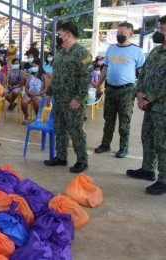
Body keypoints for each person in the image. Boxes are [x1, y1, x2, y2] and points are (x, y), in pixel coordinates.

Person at [44, 22, 93, 173]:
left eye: (59, 35)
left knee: (75, 131)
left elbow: (86, 79)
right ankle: (61, 157)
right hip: (58, 99)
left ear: (69, 35)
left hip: (72, 100)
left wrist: (78, 99)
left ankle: (82, 161)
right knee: (60, 129)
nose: (57, 38)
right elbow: (56, 76)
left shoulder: (82, 53)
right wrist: (49, 92)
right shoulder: (60, 52)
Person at [126, 15, 166, 195]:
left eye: (163, 29)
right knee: (147, 138)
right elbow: (142, 74)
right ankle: (148, 169)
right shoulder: (155, 52)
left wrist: (147, 97)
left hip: (162, 109)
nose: (159, 32)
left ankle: (164, 179)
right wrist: (139, 93)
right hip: (149, 106)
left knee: (162, 144)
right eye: (159, 28)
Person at [94, 22, 145, 158]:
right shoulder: (111, 49)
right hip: (110, 89)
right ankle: (105, 144)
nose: (119, 35)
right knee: (108, 119)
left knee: (124, 121)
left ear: (130, 34)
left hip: (127, 90)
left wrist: (141, 92)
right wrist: (99, 85)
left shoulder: (137, 51)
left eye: (122, 33)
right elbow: (104, 68)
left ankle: (123, 148)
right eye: (118, 33)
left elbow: (141, 73)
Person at [21, 58, 50, 124]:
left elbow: (46, 89)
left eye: (35, 66)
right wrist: (28, 92)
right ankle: (26, 116)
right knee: (24, 100)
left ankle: (38, 117)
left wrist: (37, 94)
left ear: (39, 66)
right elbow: (26, 86)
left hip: (40, 95)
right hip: (30, 94)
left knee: (37, 100)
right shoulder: (30, 75)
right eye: (32, 66)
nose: (33, 68)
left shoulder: (44, 76)